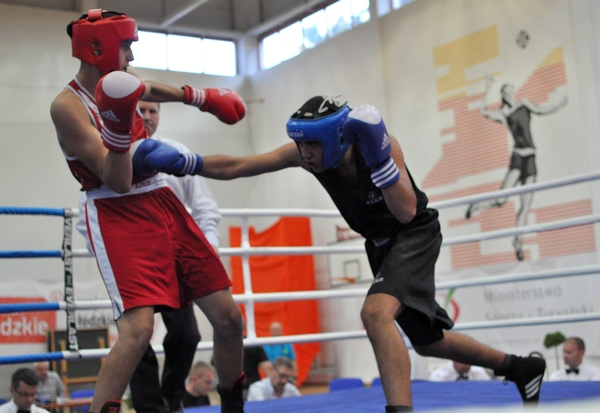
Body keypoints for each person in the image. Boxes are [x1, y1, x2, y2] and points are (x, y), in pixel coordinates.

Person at [142, 95, 547, 412]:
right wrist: (186, 162)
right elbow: (239, 165)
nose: (305, 153)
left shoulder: (379, 146)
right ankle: (521, 367)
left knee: (375, 314)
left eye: (312, 144)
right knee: (428, 342)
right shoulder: (306, 153)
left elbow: (407, 211)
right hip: (380, 244)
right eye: (301, 144)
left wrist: (381, 161)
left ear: (339, 137)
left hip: (413, 233)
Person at [50, 9, 246, 413]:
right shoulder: (67, 106)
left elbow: (148, 87)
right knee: (138, 331)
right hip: (115, 210)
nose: (132, 56)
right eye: (126, 46)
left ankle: (233, 407)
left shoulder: (125, 80)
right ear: (98, 48)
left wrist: (200, 97)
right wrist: (119, 126)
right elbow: (116, 179)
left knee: (228, 318)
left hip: (161, 201)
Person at [75, 100, 222, 413]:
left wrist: (206, 251)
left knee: (187, 335)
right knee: (137, 338)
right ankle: (149, 408)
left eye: (152, 110)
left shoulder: (176, 152)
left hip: (175, 261)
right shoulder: (106, 156)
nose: (145, 116)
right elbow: (87, 212)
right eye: (139, 109)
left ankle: (172, 397)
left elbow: (206, 207)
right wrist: (111, 260)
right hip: (130, 262)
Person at [465, 75, 568, 260]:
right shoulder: (504, 113)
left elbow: (541, 109)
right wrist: (487, 88)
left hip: (531, 157)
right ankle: (477, 206)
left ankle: (518, 241)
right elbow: (483, 110)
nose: (510, 94)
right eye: (507, 92)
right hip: (518, 158)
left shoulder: (524, 103)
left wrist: (559, 105)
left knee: (525, 205)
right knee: (501, 200)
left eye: (512, 90)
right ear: (503, 94)